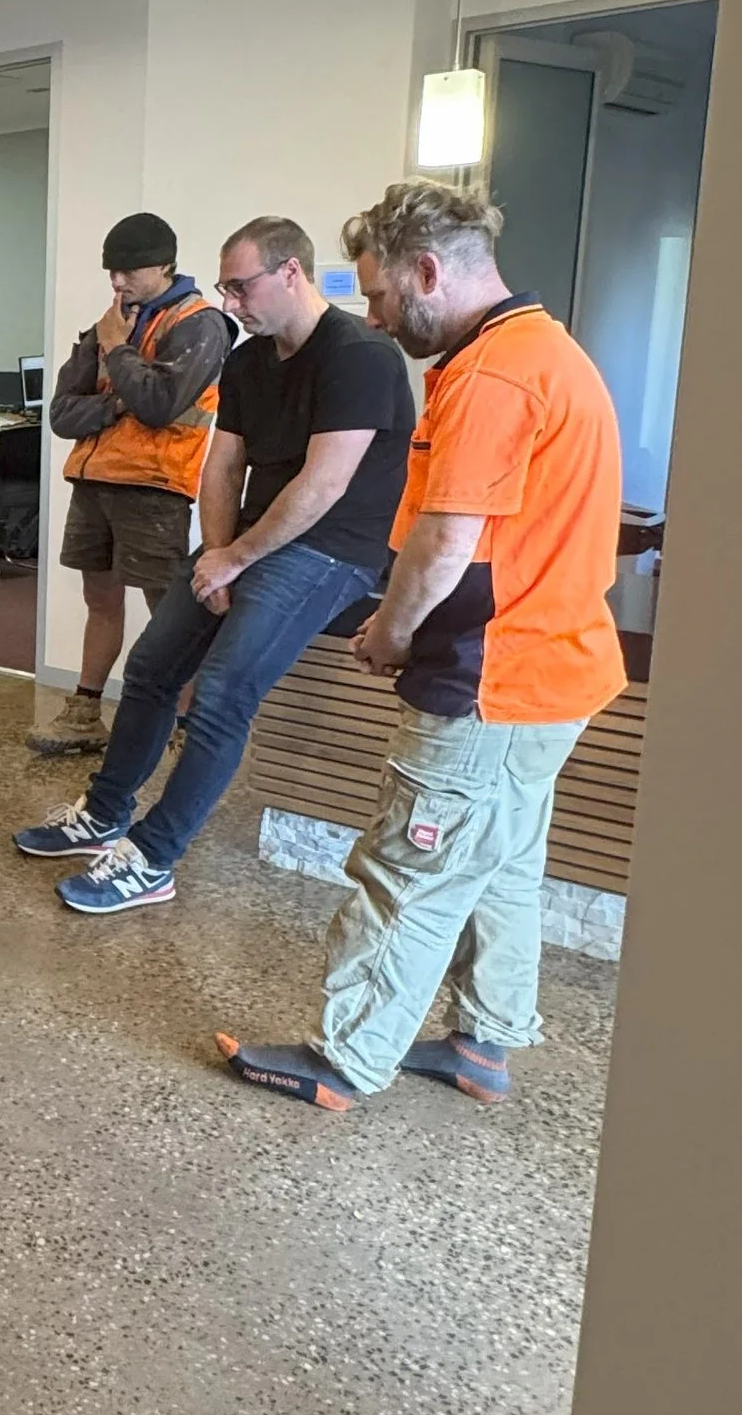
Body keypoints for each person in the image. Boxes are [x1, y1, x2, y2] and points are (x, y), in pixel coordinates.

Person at [219, 178, 625, 1112]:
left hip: (491, 675)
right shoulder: (537, 349)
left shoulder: (493, 375)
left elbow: (445, 540)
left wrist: (392, 633)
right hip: (555, 667)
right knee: (503, 861)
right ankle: (484, 1041)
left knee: (406, 869)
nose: (374, 314)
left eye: (381, 294)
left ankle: (346, 1059)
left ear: (430, 270)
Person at [17, 213, 417, 913]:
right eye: (225, 287)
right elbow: (223, 463)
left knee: (223, 691)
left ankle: (153, 854)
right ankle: (105, 812)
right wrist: (220, 554)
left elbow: (323, 485)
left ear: (290, 272)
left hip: (336, 548)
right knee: (150, 665)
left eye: (241, 286)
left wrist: (237, 557)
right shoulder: (248, 358)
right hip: (256, 538)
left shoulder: (359, 354)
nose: (229, 302)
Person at [33, 212, 232, 755]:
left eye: (129, 272)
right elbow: (60, 415)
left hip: (155, 486)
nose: (118, 284)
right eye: (111, 273)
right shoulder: (108, 323)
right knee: (100, 598)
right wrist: (119, 399)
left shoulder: (199, 324)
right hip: (94, 481)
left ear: (165, 265)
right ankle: (84, 713)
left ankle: (187, 727)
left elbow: (160, 404)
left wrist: (118, 352)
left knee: (169, 611)